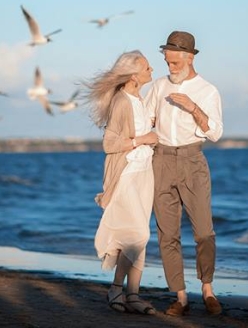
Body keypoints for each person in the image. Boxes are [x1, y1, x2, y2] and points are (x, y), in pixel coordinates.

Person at [144, 30, 224, 316]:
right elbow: (145, 121)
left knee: (204, 231)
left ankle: (208, 289)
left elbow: (215, 132)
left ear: (189, 58)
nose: (170, 68)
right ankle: (180, 296)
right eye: (167, 62)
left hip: (192, 160)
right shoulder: (157, 87)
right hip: (161, 161)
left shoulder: (207, 90)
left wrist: (193, 108)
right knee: (167, 234)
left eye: (175, 63)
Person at [85, 50, 159, 315]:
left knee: (138, 235)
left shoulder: (139, 99)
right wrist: (143, 139)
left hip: (144, 173)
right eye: (148, 68)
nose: (152, 70)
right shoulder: (121, 102)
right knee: (138, 233)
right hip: (127, 175)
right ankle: (117, 288)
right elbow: (110, 144)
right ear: (134, 75)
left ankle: (133, 294)